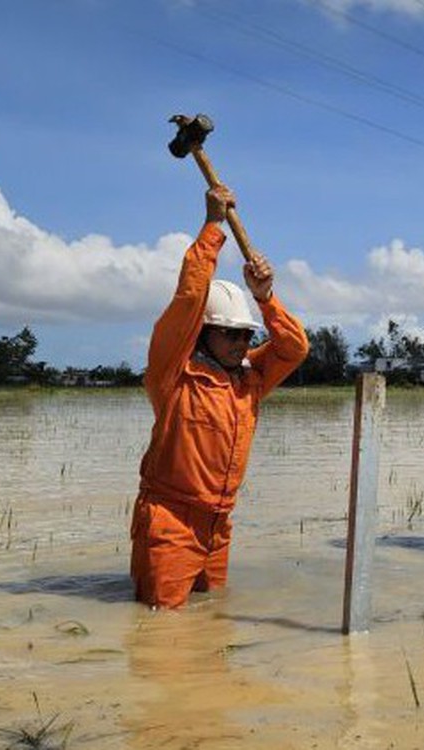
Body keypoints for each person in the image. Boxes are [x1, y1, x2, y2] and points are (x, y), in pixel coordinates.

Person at [130, 186, 308, 608]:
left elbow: (295, 348)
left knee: (211, 621)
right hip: (169, 520)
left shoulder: (250, 380)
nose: (240, 343)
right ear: (204, 333)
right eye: (230, 333)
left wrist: (265, 298)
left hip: (218, 524)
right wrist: (212, 226)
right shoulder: (173, 374)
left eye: (246, 335)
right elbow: (190, 298)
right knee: (161, 630)